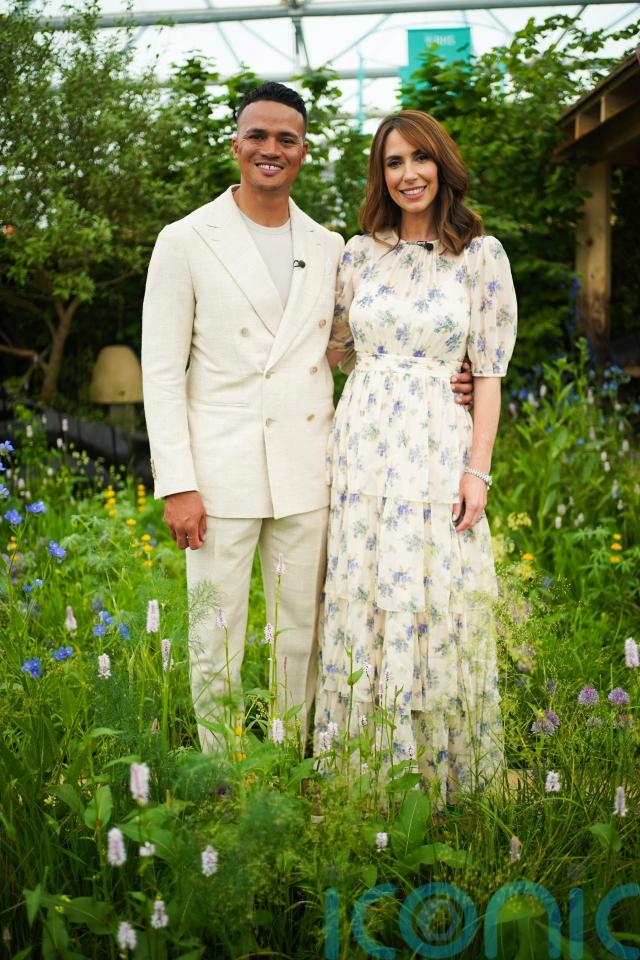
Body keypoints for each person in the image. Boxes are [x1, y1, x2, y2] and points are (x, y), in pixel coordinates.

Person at [141, 84, 473, 751]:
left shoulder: (329, 247)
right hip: (218, 473)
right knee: (215, 629)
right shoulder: (185, 240)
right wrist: (177, 483)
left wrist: (443, 375)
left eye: (285, 139)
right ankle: (223, 770)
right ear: (236, 145)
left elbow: (350, 348)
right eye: (258, 136)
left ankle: (289, 761)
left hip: (309, 469)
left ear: (303, 151)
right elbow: (161, 371)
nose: (271, 149)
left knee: (301, 634)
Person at [314, 110, 517, 807]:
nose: (408, 174)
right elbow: (334, 350)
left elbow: (489, 373)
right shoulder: (357, 255)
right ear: (381, 174)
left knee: (435, 593)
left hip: (438, 449)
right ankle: (364, 775)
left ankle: (441, 779)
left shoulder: (480, 257)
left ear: (442, 165)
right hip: (364, 449)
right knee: (366, 592)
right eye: (394, 162)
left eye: (419, 159)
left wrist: (477, 469)